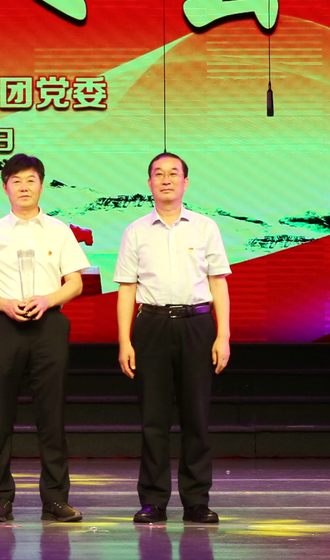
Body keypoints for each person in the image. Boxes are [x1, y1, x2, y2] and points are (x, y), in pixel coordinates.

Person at [0, 153, 89, 523]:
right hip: (4, 325)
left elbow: (76, 282)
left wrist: (48, 299)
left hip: (48, 324)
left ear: (41, 185)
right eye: (16, 181)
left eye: (31, 180)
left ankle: (55, 498)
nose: (24, 187)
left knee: (51, 414)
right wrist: (4, 304)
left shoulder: (58, 230)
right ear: (5, 187)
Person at [114, 152, 232, 525]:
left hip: (197, 324)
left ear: (185, 182)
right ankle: (153, 501)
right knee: (154, 419)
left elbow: (218, 283)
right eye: (158, 174)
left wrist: (223, 335)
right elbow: (126, 289)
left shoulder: (205, 227)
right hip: (151, 326)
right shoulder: (135, 231)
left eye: (173, 173)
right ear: (149, 183)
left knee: (196, 417)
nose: (166, 179)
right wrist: (125, 341)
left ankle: (196, 501)